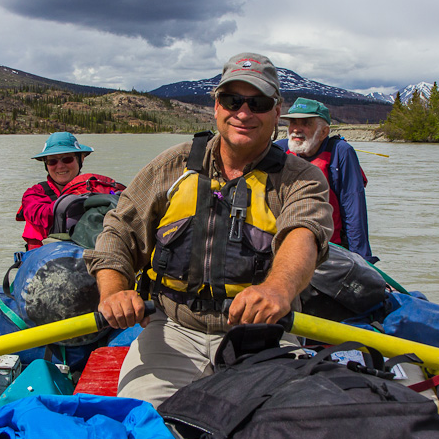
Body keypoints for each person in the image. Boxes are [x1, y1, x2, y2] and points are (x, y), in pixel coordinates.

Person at [86, 53, 334, 407]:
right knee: (146, 424)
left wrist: (278, 289)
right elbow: (118, 233)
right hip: (170, 328)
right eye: (233, 100)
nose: (244, 113)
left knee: (276, 424)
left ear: (277, 111)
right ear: (216, 107)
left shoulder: (301, 178)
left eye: (258, 103)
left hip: (262, 336)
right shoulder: (172, 165)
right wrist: (113, 292)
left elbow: (304, 233)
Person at [275, 98, 379, 263]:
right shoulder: (279, 150)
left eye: (305, 124)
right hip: (287, 247)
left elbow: (354, 210)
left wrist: (362, 262)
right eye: (292, 123)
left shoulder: (341, 152)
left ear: (324, 132)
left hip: (330, 252)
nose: (295, 129)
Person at [16, 132, 123, 250]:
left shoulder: (103, 188)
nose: (60, 166)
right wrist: (75, 199)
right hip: (47, 263)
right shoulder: (34, 194)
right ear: (46, 164)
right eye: (52, 161)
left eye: (67, 159)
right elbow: (39, 214)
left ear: (81, 159)